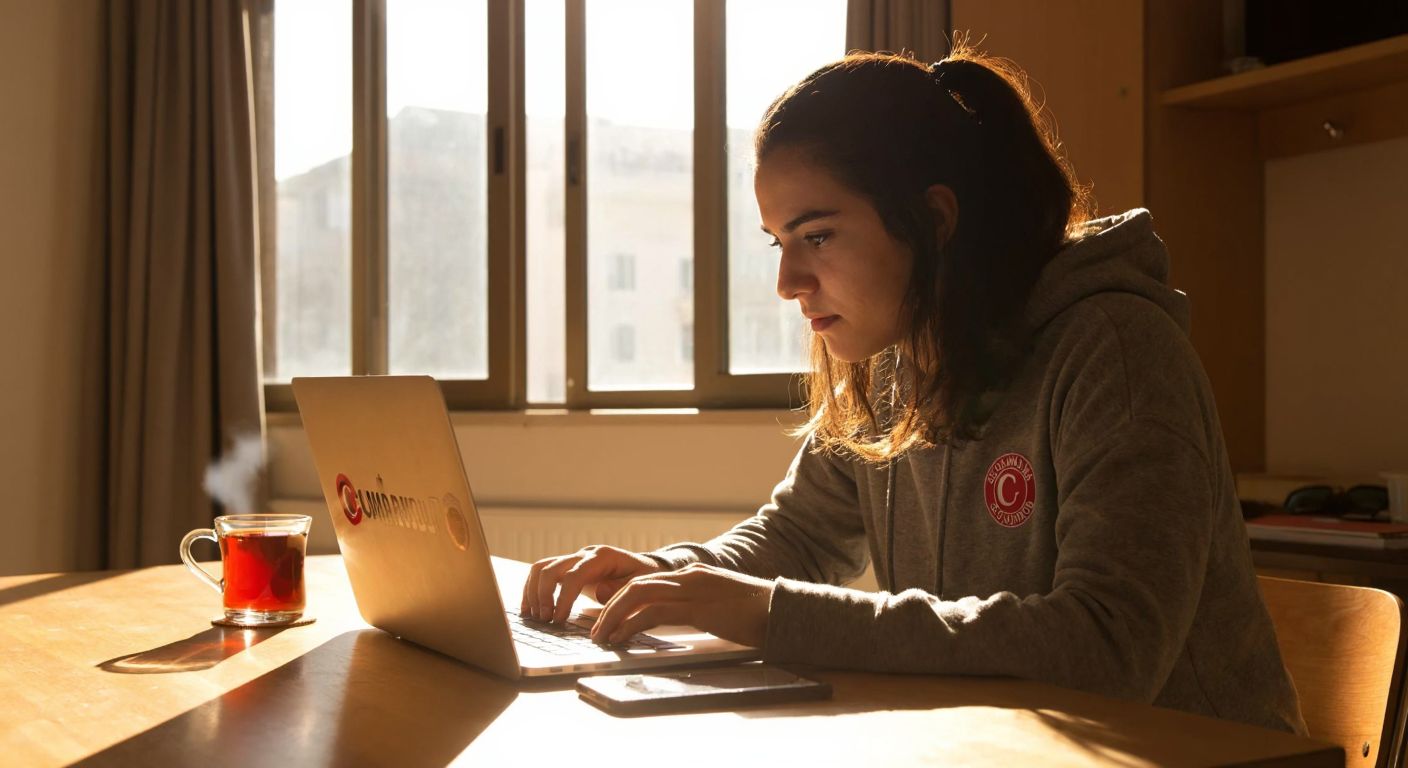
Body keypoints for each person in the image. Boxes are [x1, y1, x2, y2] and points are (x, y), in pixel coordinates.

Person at [521, 45, 1306, 734]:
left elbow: (1108, 647)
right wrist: (665, 575)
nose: (788, 282)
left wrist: (769, 614)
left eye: (817, 236)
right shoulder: (895, 357)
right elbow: (797, 537)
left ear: (933, 221)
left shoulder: (1115, 352)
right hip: (1012, 747)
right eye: (779, 242)